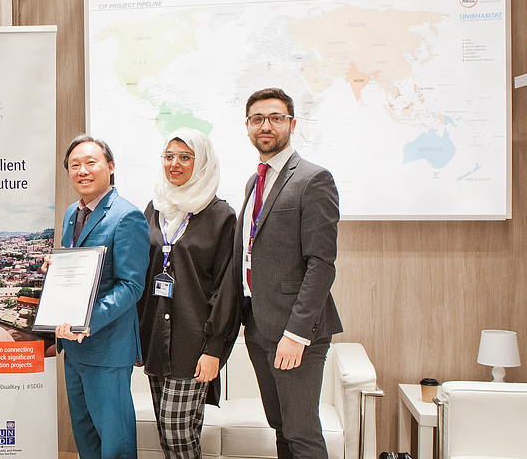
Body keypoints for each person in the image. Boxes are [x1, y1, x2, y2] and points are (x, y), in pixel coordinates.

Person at [235, 88, 343, 459]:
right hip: (259, 327)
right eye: (257, 119)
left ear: (292, 124)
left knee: (301, 433)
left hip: (296, 332)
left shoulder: (313, 179)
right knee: (280, 427)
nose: (266, 126)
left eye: (275, 118)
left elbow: (321, 264)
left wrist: (297, 334)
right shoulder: (254, 182)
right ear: (248, 127)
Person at [136, 129, 238, 459]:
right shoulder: (155, 208)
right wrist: (136, 339)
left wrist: (214, 350)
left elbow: (226, 287)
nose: (174, 164)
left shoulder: (221, 215)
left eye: (185, 157)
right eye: (169, 157)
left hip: (194, 343)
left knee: (174, 429)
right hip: (155, 339)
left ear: (202, 162)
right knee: (175, 433)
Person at [53, 134, 149, 459]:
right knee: (86, 442)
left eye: (90, 163)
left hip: (107, 347)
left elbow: (131, 286)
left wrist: (87, 321)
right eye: (74, 165)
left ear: (110, 166)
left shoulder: (127, 216)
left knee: (115, 445)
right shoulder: (72, 213)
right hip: (74, 349)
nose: (82, 171)